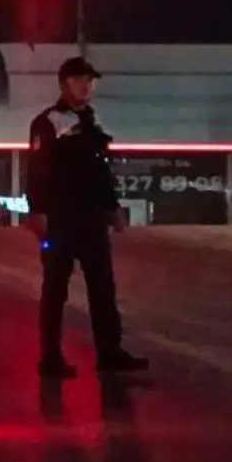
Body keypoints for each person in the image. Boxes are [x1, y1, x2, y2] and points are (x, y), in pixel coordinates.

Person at [28, 56, 148, 379]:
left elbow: (99, 173)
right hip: (61, 219)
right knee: (55, 290)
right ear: (64, 84)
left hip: (91, 219)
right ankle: (50, 357)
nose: (86, 86)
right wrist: (37, 210)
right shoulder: (49, 122)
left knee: (103, 289)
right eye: (80, 79)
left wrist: (112, 209)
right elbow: (37, 170)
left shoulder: (91, 122)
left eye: (90, 81)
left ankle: (110, 353)